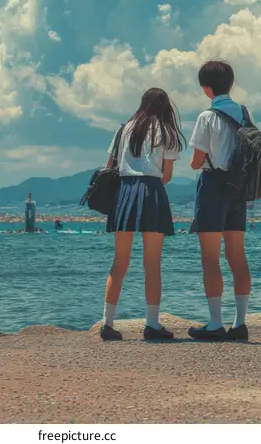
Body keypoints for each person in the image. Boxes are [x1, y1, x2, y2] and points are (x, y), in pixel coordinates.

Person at [101, 87, 185, 342]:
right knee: (152, 263)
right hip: (151, 192)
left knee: (120, 262)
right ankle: (151, 324)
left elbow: (109, 167)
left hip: (125, 192)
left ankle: (107, 323)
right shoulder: (167, 131)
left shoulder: (123, 129)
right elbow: (167, 175)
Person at [187, 60, 253, 343]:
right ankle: (240, 323)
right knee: (237, 256)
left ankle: (215, 322)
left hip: (214, 186)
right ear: (231, 83)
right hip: (238, 189)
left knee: (210, 258)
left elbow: (196, 162)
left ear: (206, 88)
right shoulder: (244, 113)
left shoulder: (206, 117)